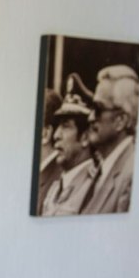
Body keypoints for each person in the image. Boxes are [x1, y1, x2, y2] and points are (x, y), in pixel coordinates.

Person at [81, 64, 139, 214]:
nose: (90, 117)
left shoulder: (132, 177)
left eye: (98, 109)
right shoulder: (105, 168)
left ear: (120, 120)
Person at [40, 83, 97, 217]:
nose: (56, 135)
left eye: (65, 126)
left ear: (85, 137)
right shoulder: (55, 188)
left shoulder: (94, 187)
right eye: (58, 127)